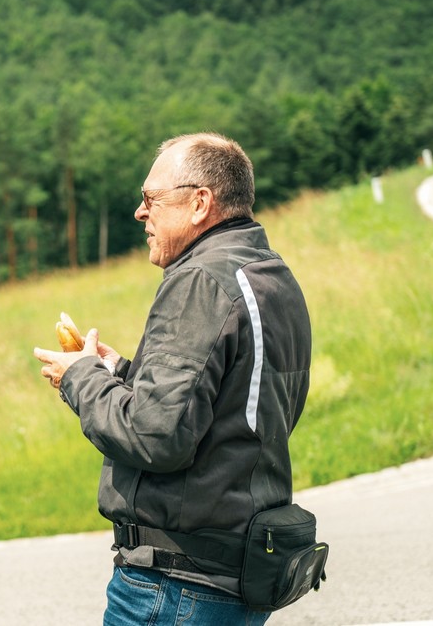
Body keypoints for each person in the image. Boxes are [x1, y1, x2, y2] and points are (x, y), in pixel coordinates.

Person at [34, 132, 311, 625]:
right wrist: (119, 372)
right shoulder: (269, 274)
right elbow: (233, 408)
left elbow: (154, 436)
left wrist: (81, 378)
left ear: (200, 202)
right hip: (236, 570)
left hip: (176, 586)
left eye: (150, 199)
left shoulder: (200, 281)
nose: (140, 213)